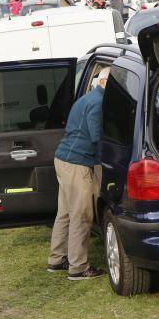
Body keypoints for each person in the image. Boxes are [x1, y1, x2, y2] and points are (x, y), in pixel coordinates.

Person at [48, 68, 110, 280]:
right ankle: (78, 267)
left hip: (63, 159)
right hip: (77, 163)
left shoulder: (86, 98)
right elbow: (96, 136)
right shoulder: (99, 103)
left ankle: (57, 259)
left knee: (64, 213)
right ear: (105, 82)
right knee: (81, 215)